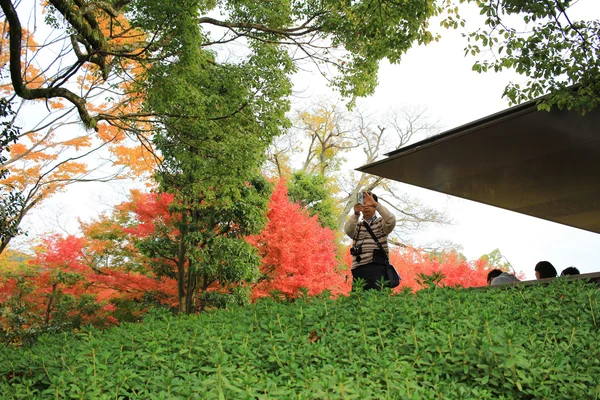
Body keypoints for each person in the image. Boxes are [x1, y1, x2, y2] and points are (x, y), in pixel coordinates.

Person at [344, 191, 396, 290]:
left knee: (377, 301)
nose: (366, 207)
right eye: (363, 205)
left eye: (369, 205)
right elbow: (348, 230)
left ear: (375, 207)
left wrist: (377, 205)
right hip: (358, 269)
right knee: (358, 301)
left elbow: (391, 220)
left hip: (378, 267)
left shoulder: (381, 223)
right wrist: (355, 214)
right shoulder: (357, 225)